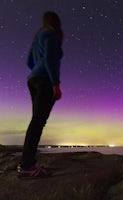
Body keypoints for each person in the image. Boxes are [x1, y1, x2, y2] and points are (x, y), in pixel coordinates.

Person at [18, 11, 63, 179]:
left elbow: (29, 61)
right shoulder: (51, 34)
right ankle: (27, 166)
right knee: (38, 122)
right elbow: (51, 59)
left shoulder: (38, 36)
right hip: (45, 81)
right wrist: (55, 84)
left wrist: (36, 70)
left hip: (33, 80)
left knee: (36, 121)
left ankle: (28, 162)